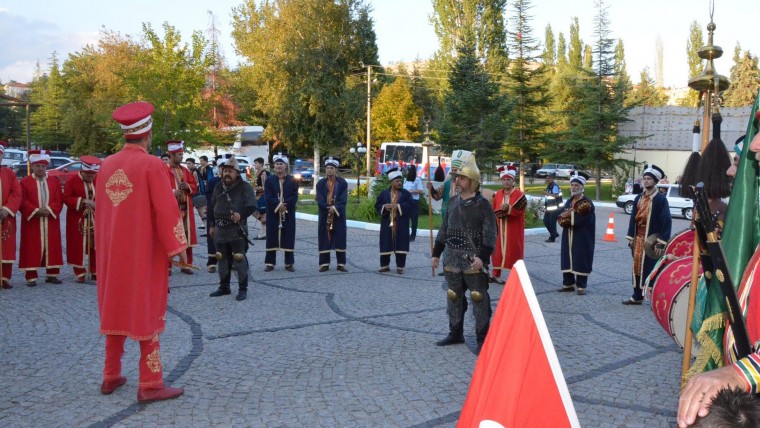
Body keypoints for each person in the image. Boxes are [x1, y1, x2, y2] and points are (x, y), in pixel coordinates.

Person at [97, 101, 187, 402]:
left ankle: (111, 375)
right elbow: (166, 209)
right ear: (146, 134)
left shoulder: (106, 165)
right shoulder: (152, 165)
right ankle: (150, 383)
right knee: (145, 308)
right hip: (142, 253)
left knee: (116, 306)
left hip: (112, 254)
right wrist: (177, 247)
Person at [431, 155, 497, 354]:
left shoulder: (483, 205)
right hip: (451, 258)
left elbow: (490, 235)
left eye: (461, 178)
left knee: (478, 297)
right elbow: (444, 230)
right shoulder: (452, 202)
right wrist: (436, 254)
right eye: (457, 178)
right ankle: (455, 332)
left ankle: (482, 339)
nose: (457, 181)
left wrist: (482, 258)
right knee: (453, 296)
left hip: (473, 259)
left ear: (472, 181)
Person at [208, 156, 257, 301]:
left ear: (237, 173)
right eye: (225, 171)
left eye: (230, 171)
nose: (227, 174)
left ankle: (243, 289)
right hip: (220, 230)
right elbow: (211, 206)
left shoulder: (244, 187)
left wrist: (240, 215)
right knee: (221, 258)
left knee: (238, 258)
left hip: (236, 230)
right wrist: (211, 225)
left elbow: (251, 206)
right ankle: (224, 287)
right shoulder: (218, 186)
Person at [623, 164, 672, 305]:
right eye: (644, 178)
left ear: (655, 181)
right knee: (637, 267)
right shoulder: (638, 198)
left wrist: (662, 241)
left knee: (652, 268)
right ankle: (637, 295)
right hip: (638, 239)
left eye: (649, 179)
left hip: (651, 241)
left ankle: (654, 299)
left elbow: (666, 221)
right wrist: (631, 238)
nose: (646, 181)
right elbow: (633, 219)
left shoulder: (661, 200)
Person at [19, 150, 64, 286]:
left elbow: (58, 198)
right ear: (32, 166)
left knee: (53, 245)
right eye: (38, 166)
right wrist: (36, 211)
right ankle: (31, 275)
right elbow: (22, 200)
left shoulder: (54, 181)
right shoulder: (25, 182)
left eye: (43, 166)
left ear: (46, 167)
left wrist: (49, 210)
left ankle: (52, 274)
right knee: (31, 245)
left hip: (50, 219)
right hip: (33, 220)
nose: (40, 169)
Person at [63, 155, 101, 283]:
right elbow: (67, 198)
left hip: (95, 217)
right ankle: (79, 271)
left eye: (93, 175)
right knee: (77, 244)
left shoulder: (98, 180)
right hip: (77, 217)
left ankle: (95, 270)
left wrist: (96, 204)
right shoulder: (72, 180)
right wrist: (83, 201)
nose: (91, 178)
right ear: (83, 171)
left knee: (95, 244)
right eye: (88, 175)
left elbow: (105, 197)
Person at [556, 175, 596, 295]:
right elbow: (561, 214)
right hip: (568, 234)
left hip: (582, 235)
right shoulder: (569, 201)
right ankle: (568, 283)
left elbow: (584, 219)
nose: (574, 187)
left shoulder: (586, 202)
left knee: (581, 258)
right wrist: (563, 216)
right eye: (572, 185)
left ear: (582, 187)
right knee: (567, 257)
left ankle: (581, 285)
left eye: (576, 185)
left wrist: (568, 215)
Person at [165, 141, 198, 275]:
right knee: (169, 236)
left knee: (186, 236)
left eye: (182, 154)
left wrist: (188, 187)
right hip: (170, 210)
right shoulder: (163, 170)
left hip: (186, 209)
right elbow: (158, 188)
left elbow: (194, 185)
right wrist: (172, 192)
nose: (182, 157)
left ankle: (186, 264)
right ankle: (167, 265)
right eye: (179, 155)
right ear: (171, 155)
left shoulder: (185, 170)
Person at [490, 165, 526, 284]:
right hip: (499, 226)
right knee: (497, 251)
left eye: (508, 179)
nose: (506, 182)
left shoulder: (519, 195)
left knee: (513, 250)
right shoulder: (498, 194)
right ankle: (495, 274)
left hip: (513, 228)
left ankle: (516, 275)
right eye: (504, 180)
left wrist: (509, 208)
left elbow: (520, 210)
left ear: (513, 180)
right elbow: (493, 209)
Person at [264, 153, 298, 272]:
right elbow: (268, 196)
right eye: (277, 164)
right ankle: (270, 263)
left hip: (288, 214)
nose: (279, 166)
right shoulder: (269, 180)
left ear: (285, 166)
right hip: (273, 213)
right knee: (271, 237)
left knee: (288, 237)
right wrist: (278, 205)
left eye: (281, 164)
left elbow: (294, 196)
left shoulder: (292, 180)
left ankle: (289, 263)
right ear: (274, 166)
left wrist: (285, 205)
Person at [375, 167, 413, 274]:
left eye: (401, 181)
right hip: (387, 222)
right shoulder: (384, 194)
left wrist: (399, 206)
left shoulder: (406, 194)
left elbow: (411, 205)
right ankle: (384, 265)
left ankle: (400, 266)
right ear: (391, 182)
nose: (399, 183)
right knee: (386, 242)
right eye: (397, 181)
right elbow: (377, 205)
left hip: (401, 223)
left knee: (401, 244)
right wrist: (384, 207)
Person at [316, 156, 348, 272]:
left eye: (331, 168)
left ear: (336, 169)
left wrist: (335, 208)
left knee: (340, 237)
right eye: (327, 167)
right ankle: (324, 263)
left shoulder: (342, 183)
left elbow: (343, 199)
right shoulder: (320, 183)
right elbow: (319, 199)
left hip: (338, 215)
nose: (329, 170)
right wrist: (327, 208)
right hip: (325, 214)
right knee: (324, 237)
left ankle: (341, 263)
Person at [0, 142, 22, 289]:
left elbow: (16, 193)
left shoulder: (9, 174)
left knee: (6, 247)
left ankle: (5, 278)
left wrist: (7, 209)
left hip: (5, 217)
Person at [427, 149, 472, 220]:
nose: (454, 172)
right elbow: (437, 196)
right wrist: (431, 189)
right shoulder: (447, 183)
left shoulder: (466, 184)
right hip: (447, 214)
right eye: (453, 170)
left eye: (456, 170)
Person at [204, 158, 223, 273]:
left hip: (231, 214)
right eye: (222, 167)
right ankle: (212, 262)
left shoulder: (237, 181)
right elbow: (209, 201)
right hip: (215, 212)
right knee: (212, 237)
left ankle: (231, 261)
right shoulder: (213, 182)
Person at [403, 166, 424, 241]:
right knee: (405, 219)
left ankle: (413, 236)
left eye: (408, 171)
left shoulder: (417, 180)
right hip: (406, 202)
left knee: (414, 220)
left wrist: (411, 191)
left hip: (413, 202)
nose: (407, 172)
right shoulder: (406, 180)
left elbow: (421, 191)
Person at [186, 157, 207, 225]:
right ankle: (206, 228)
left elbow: (197, 183)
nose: (188, 165)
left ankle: (207, 229)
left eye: (189, 163)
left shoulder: (195, 172)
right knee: (201, 213)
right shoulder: (192, 171)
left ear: (193, 164)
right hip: (196, 194)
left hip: (197, 194)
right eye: (187, 164)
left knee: (202, 214)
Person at [252, 157, 269, 240]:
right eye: (254, 163)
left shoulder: (263, 173)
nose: (255, 165)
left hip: (263, 196)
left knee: (263, 214)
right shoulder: (256, 173)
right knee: (254, 211)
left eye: (256, 163)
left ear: (261, 164)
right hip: (257, 196)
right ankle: (267, 229)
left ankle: (264, 233)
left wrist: (256, 188)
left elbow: (265, 187)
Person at [543, 172, 562, 242]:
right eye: (546, 178)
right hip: (549, 208)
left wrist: (546, 193)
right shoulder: (549, 186)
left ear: (552, 179)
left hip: (554, 208)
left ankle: (552, 237)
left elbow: (556, 195)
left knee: (552, 223)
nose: (547, 179)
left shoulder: (554, 186)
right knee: (545, 221)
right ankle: (555, 234)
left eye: (549, 178)